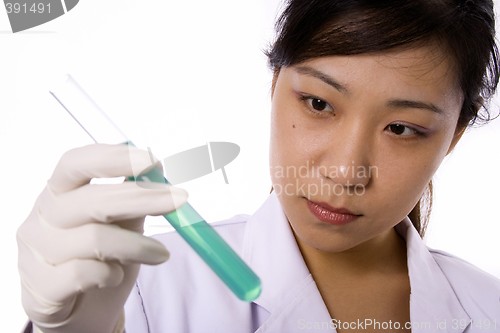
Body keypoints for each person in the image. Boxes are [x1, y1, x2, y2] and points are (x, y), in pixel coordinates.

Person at [17, 0, 500, 332]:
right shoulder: (141, 294)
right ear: (275, 86)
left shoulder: (490, 311)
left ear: (453, 137)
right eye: (317, 103)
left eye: (400, 129)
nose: (345, 171)